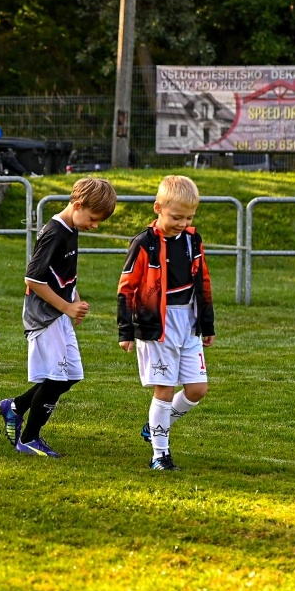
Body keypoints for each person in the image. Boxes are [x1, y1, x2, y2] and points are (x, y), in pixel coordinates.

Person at [0, 177, 117, 457]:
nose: (94, 225)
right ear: (77, 205)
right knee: (56, 377)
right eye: (93, 218)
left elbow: (63, 274)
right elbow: (34, 278)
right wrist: (65, 307)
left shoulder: (72, 228)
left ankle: (14, 406)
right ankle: (28, 438)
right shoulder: (55, 232)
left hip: (59, 315)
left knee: (70, 376)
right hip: (44, 317)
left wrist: (74, 299)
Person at [118, 175, 217, 471]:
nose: (182, 223)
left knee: (197, 389)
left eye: (189, 217)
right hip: (156, 327)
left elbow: (204, 281)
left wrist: (207, 324)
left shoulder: (192, 239)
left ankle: (154, 427)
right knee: (163, 388)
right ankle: (160, 454)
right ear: (158, 208)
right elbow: (126, 288)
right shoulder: (144, 243)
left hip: (188, 324)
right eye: (176, 216)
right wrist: (126, 330)